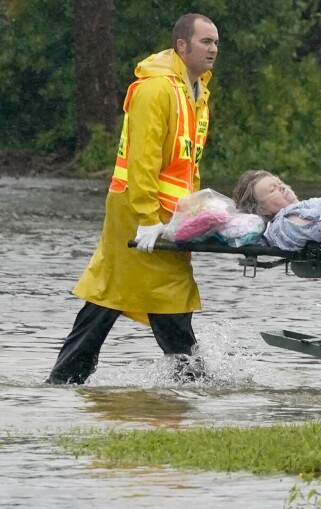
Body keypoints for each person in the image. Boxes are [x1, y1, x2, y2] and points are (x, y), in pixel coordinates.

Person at [46, 14, 220, 385]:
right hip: (138, 212)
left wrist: (195, 213)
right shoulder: (156, 90)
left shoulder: (198, 93)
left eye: (216, 42)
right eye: (205, 42)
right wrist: (146, 219)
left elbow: (188, 166)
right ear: (182, 46)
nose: (213, 49)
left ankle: (64, 381)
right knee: (161, 297)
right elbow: (142, 162)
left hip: (168, 215)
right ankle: (194, 384)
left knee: (111, 295)